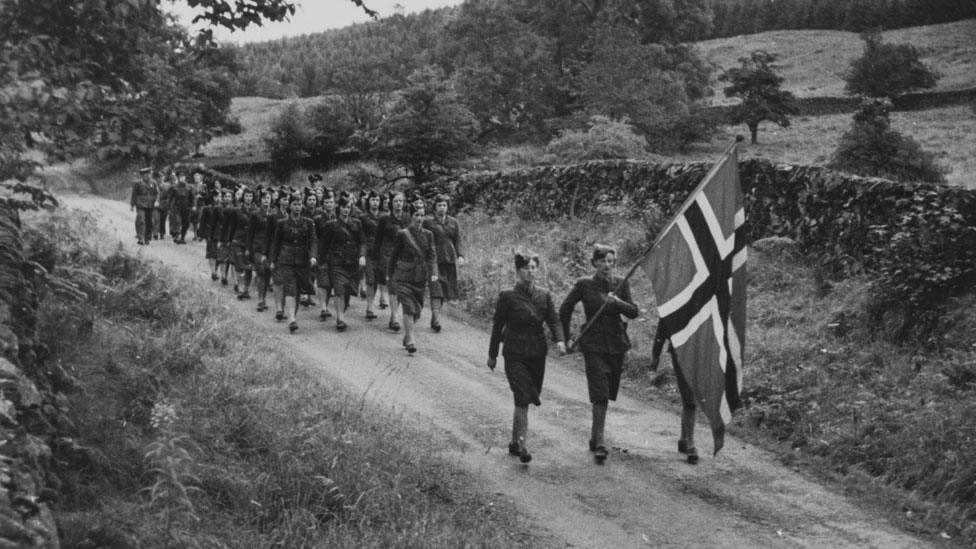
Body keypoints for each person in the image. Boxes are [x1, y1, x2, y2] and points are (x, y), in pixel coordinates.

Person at [559, 244, 639, 464]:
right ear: (594, 263)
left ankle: (596, 437)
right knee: (600, 392)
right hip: (593, 344)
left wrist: (619, 302)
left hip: (616, 344)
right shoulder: (585, 285)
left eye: (611, 261)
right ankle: (601, 441)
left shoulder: (621, 284)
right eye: (603, 261)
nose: (607, 266)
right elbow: (564, 309)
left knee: (608, 391)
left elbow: (634, 311)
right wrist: (566, 338)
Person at [487, 253, 566, 464]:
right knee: (522, 395)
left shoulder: (544, 295)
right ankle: (521, 444)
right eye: (526, 267)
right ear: (518, 271)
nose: (530, 271)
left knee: (529, 396)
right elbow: (497, 326)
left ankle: (514, 442)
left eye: (533, 267)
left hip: (537, 353)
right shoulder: (507, 296)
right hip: (514, 352)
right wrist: (492, 354)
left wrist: (560, 340)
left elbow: (554, 320)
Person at [387, 204, 437, 353]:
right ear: (411, 217)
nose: (419, 219)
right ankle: (411, 340)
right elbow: (394, 256)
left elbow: (432, 255)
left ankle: (408, 335)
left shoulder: (429, 235)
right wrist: (390, 274)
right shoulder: (403, 234)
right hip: (404, 276)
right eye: (416, 215)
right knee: (408, 307)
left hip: (420, 278)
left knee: (417, 310)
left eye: (422, 215)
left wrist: (433, 271)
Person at [650, 324, 699, 465]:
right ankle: (690, 442)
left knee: (690, 395)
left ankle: (685, 438)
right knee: (689, 395)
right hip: (680, 349)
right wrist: (655, 356)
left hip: (701, 350)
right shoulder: (675, 300)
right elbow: (662, 327)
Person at [269, 194, 318, 333]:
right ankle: (292, 319)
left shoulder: (308, 222)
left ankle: (293, 315)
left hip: (303, 261)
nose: (297, 207)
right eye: (295, 204)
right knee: (290, 288)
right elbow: (276, 243)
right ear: (289, 206)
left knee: (298, 289)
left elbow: (314, 241)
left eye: (299, 204)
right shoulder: (282, 223)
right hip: (286, 260)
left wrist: (313, 256)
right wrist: (273, 260)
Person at [320, 195, 367, 331]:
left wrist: (362, 255)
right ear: (338, 208)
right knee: (339, 290)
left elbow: (362, 241)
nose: (346, 210)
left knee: (348, 291)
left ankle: (342, 312)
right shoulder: (331, 225)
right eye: (343, 207)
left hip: (352, 263)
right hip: (337, 262)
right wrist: (322, 263)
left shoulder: (357, 223)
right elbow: (324, 245)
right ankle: (340, 318)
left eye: (348, 207)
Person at [423, 193, 464, 333]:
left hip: (449, 259)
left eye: (444, 205)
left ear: (448, 207)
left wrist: (460, 255)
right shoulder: (428, 222)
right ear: (434, 207)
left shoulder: (453, 222)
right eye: (439, 205)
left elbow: (457, 240)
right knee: (436, 288)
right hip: (433, 260)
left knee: (444, 289)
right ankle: (436, 319)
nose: (442, 208)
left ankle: (435, 317)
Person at [374, 192, 409, 331]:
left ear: (404, 203)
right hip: (387, 256)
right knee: (393, 286)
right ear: (391, 203)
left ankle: (393, 315)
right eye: (395, 201)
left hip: (404, 256)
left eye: (400, 201)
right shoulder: (384, 219)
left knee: (399, 286)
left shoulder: (407, 218)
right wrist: (377, 257)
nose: (398, 204)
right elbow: (378, 240)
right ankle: (395, 317)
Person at [248, 189, 277, 312]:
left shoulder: (274, 214)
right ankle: (260, 300)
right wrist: (248, 248)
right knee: (260, 272)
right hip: (258, 246)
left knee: (268, 273)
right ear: (260, 200)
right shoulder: (255, 214)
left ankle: (263, 298)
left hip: (270, 248)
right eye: (264, 198)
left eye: (268, 198)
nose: (266, 200)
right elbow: (250, 232)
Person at [359, 190, 383, 321]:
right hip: (368, 251)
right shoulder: (363, 217)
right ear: (368, 202)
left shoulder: (384, 217)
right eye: (373, 200)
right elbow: (360, 236)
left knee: (377, 280)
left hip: (381, 252)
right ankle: (369, 308)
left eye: (377, 200)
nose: (375, 202)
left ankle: (372, 304)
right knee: (370, 279)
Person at [130, 167, 157, 246]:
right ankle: (141, 238)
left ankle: (147, 238)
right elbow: (134, 194)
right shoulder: (138, 183)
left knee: (149, 222)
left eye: (148, 174)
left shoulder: (153, 183)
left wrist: (157, 201)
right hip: (140, 204)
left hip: (150, 205)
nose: (147, 176)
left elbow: (157, 193)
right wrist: (132, 205)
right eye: (145, 174)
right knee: (141, 220)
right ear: (142, 175)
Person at [169, 170, 196, 244]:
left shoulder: (189, 187)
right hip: (177, 207)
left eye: (183, 177)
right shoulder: (174, 187)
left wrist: (193, 205)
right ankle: (177, 236)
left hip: (187, 207)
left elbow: (192, 197)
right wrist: (169, 207)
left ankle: (182, 238)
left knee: (186, 223)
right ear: (178, 178)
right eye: (180, 177)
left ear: (185, 178)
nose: (182, 178)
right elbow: (170, 198)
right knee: (177, 221)